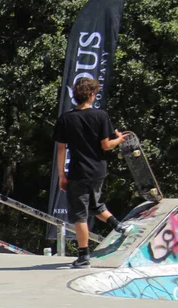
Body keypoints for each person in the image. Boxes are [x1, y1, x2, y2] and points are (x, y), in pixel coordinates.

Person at [54, 77, 130, 268]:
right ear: (90, 94)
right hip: (98, 171)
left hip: (78, 172)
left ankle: (83, 256)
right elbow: (106, 145)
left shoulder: (65, 119)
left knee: (80, 214)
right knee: (95, 205)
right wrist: (119, 140)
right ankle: (119, 226)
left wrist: (62, 174)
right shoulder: (100, 115)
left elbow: (61, 149)